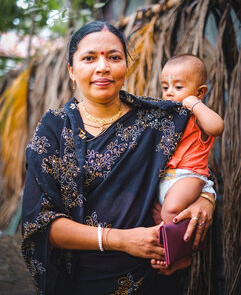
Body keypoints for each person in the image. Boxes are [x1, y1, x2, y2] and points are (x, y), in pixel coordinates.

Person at [21, 22, 216, 295]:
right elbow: (39, 222)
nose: (103, 67)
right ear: (72, 71)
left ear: (126, 66)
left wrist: (206, 199)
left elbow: (197, 162)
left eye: (114, 57)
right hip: (80, 280)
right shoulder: (54, 130)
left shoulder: (161, 118)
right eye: (89, 58)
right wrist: (120, 240)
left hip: (153, 274)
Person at [157, 55, 223, 225]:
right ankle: (165, 248)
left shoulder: (198, 118)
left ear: (200, 92)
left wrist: (195, 104)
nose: (169, 92)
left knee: (171, 211)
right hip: (163, 179)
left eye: (178, 87)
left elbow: (217, 127)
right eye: (165, 87)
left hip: (188, 177)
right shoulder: (165, 118)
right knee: (157, 216)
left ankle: (178, 249)